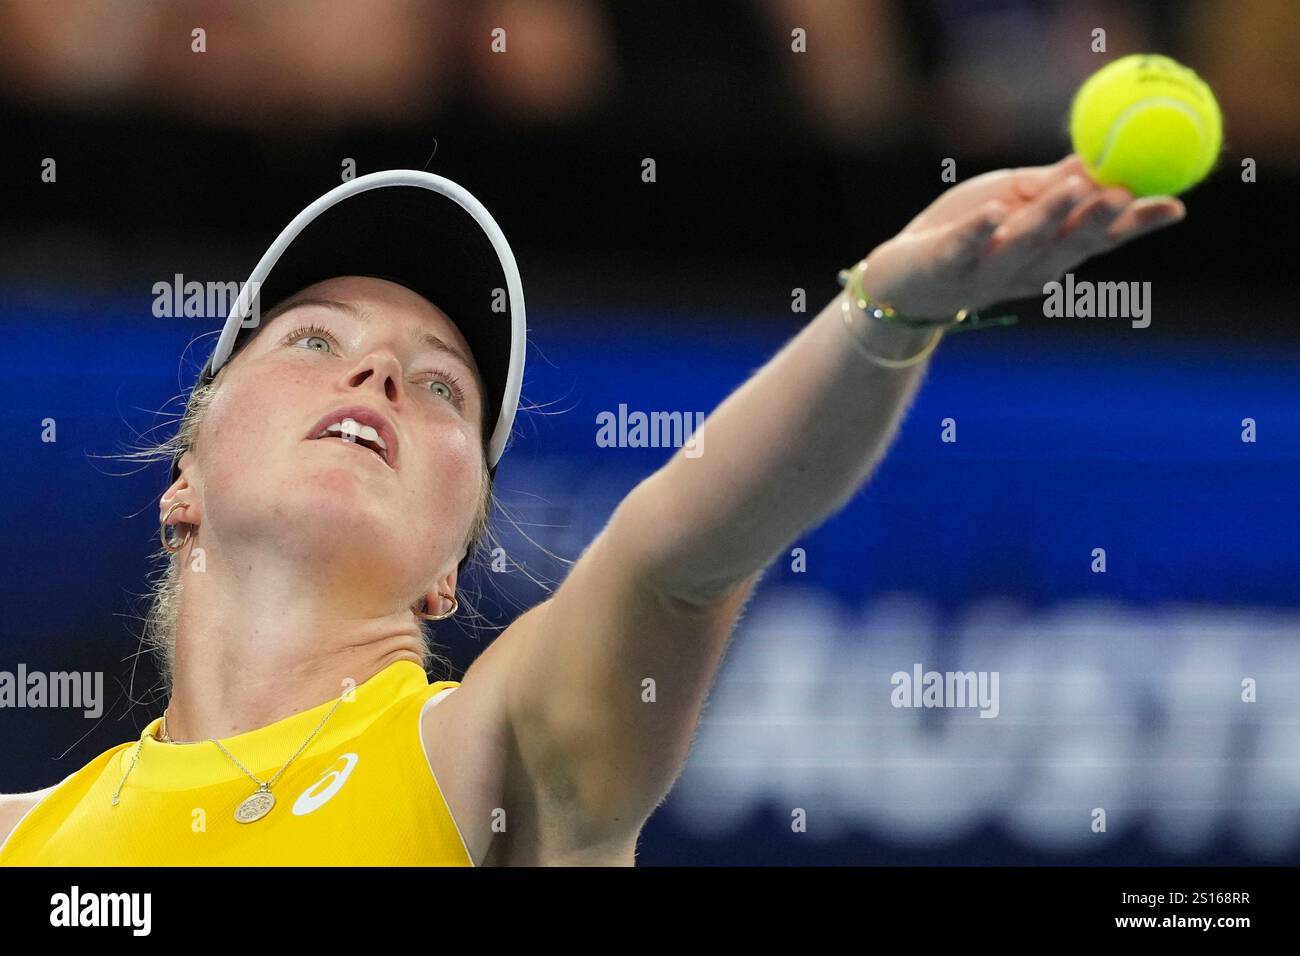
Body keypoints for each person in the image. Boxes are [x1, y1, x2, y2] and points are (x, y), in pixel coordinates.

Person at [0, 158, 1183, 866]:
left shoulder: (481, 754)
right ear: (183, 480)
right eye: (314, 338)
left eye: (439, 385)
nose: (375, 378)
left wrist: (888, 311)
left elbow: (678, 559)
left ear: (448, 568)